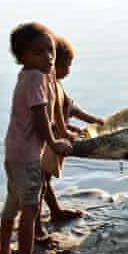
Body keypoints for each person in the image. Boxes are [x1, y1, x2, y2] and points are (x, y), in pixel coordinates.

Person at [0, 22, 72, 254]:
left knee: (12, 203)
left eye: (50, 50)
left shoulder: (29, 74)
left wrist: (62, 131)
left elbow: (54, 107)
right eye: (38, 53)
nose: (48, 57)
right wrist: (54, 142)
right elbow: (40, 115)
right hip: (28, 155)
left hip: (13, 151)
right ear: (22, 57)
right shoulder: (37, 78)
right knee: (29, 210)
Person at [35, 36, 103, 241]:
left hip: (56, 142)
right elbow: (43, 119)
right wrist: (64, 129)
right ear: (55, 64)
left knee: (44, 181)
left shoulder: (57, 85)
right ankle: (36, 225)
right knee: (39, 183)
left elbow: (70, 107)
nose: (70, 70)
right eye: (68, 65)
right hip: (43, 144)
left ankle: (54, 211)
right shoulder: (44, 87)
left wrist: (92, 119)